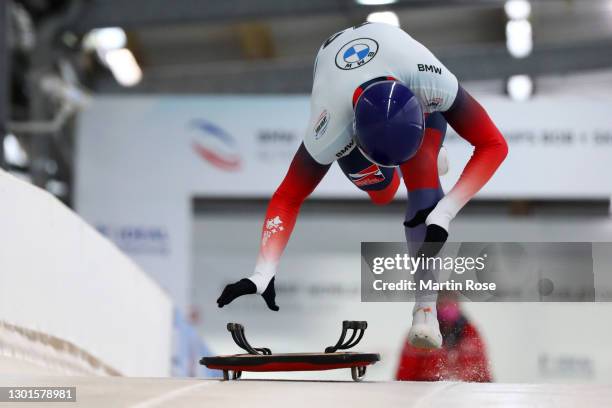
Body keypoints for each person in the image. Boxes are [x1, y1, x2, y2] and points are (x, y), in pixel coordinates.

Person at [216, 22, 508, 349]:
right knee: (382, 191)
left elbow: (495, 145)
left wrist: (446, 211)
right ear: (354, 136)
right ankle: (411, 161)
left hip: (409, 90)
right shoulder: (329, 128)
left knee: (424, 191)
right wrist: (263, 271)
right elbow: (287, 197)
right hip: (346, 97)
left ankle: (425, 308)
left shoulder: (431, 81)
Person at [396, 292, 492, 382]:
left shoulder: (470, 333)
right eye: (443, 302)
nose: (447, 306)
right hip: (427, 394)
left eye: (451, 302)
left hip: (465, 394)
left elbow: (483, 374)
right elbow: (405, 375)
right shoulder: (420, 333)